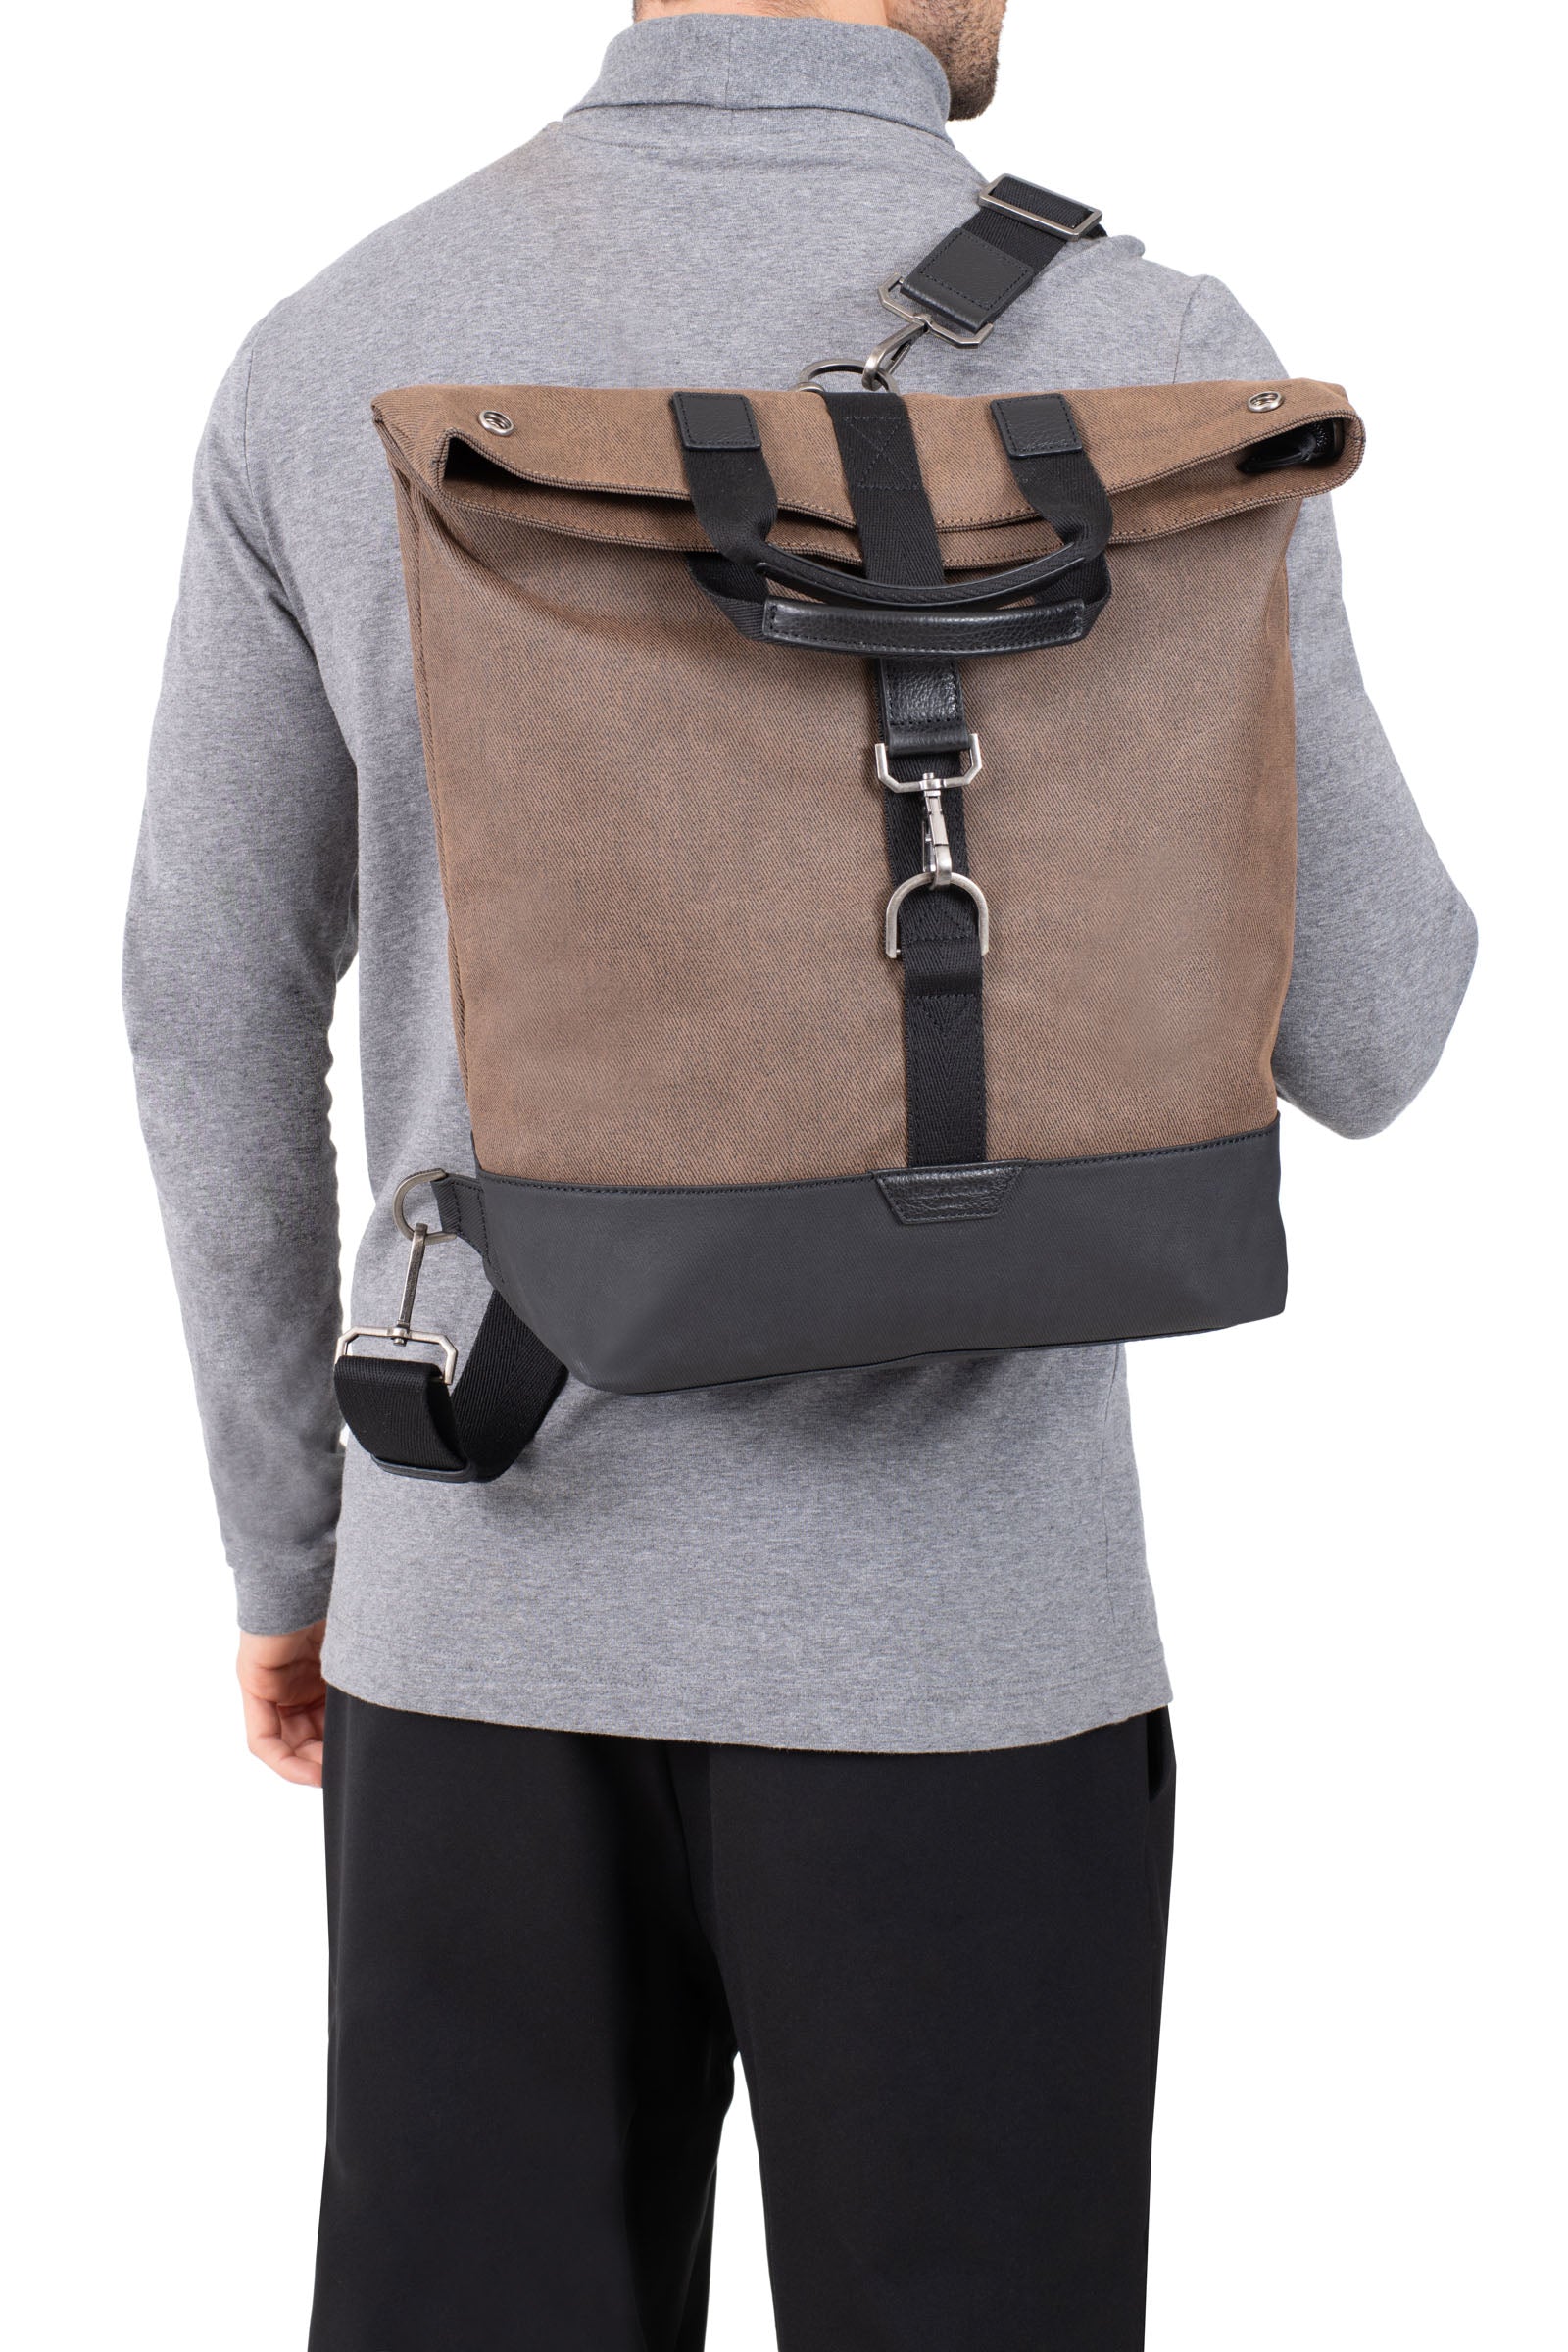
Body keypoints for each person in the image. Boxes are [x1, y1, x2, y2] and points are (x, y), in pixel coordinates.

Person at [124, 3, 1477, 2345]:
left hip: (476, 1602)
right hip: (974, 1660)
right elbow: (1374, 1022)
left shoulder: (338, 342)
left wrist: (293, 1549)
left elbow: (204, 995)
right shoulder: (1146, 355)